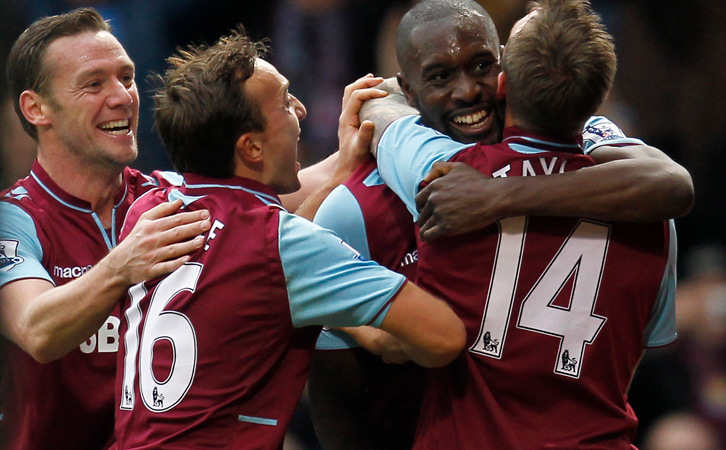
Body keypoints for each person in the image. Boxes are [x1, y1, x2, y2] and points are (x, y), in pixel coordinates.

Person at [307, 1, 692, 448]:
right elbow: (639, 343)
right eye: (440, 75)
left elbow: (386, 114)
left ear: (504, 81)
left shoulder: (442, 175)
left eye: (483, 66)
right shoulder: (650, 214)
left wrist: (495, 194)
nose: (468, 91)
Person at [112, 27, 465, 450]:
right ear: (252, 148)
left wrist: (339, 175)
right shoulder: (281, 245)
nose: (299, 108)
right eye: (283, 102)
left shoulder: (149, 208)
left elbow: (255, 270)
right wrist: (372, 330)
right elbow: (443, 338)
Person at [0, 8, 213, 450]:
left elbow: (270, 210)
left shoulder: (165, 200)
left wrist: (348, 157)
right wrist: (123, 265)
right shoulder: (14, 220)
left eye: (127, 77)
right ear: (36, 108)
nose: (122, 97)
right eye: (94, 83)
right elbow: (37, 330)